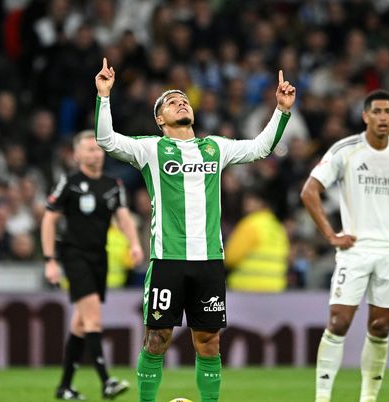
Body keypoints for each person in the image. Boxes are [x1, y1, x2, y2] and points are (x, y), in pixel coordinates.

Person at [94, 58, 296, 402]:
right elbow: (107, 140)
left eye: (183, 99)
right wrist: (104, 96)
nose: (180, 102)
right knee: (157, 338)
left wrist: (281, 110)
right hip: (167, 259)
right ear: (160, 119)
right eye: (171, 102)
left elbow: (262, 148)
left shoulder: (215, 147)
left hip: (209, 262)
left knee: (209, 341)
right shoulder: (150, 148)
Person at [300, 90, 389, 402]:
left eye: (388, 111)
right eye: (376, 111)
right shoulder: (346, 150)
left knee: (380, 326)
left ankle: (368, 398)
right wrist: (330, 235)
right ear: (365, 116)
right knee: (339, 321)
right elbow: (309, 191)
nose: (382, 117)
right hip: (355, 250)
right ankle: (322, 397)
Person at [41, 130, 143, 400]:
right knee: (93, 319)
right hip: (75, 257)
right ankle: (106, 381)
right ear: (76, 155)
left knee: (80, 323)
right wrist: (50, 259)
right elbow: (49, 219)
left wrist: (134, 244)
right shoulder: (70, 183)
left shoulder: (113, 185)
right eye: (88, 149)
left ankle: (64, 387)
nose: (94, 154)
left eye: (97, 149)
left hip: (100, 257)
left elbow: (123, 217)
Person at [224, 189, 290, 292]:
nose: (245, 203)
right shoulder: (276, 226)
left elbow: (231, 257)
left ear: (261, 203)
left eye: (251, 200)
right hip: (275, 287)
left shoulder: (250, 224)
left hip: (247, 287)